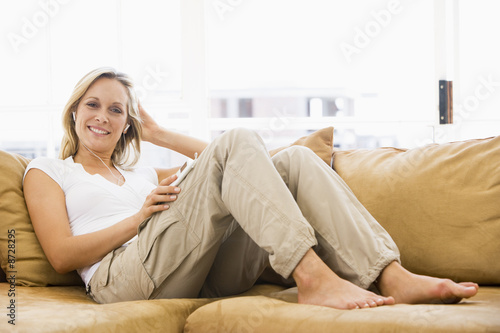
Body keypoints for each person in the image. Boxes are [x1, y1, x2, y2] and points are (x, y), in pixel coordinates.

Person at [23, 67, 478, 310]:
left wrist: (158, 136)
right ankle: (312, 277)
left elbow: (232, 162)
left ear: (128, 125)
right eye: (93, 105)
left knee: (295, 161)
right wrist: (138, 219)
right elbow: (62, 254)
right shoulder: (49, 170)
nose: (103, 116)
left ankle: (390, 273)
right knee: (238, 141)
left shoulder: (141, 172)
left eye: (117, 110)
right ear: (74, 111)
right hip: (121, 279)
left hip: (193, 275)